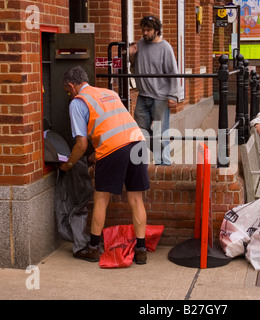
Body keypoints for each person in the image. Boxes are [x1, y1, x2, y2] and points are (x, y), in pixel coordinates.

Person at [61, 66, 150, 264]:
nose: (68, 94)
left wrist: (68, 164)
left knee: (101, 199)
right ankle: (141, 251)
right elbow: (113, 126)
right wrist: (95, 156)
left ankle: (93, 248)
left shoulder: (78, 102)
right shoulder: (108, 93)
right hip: (137, 142)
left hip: (113, 149)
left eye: (67, 91)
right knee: (136, 200)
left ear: (70, 86)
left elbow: (81, 144)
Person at [129, 15, 180, 165]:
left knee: (159, 132)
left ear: (157, 31)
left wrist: (173, 96)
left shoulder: (165, 48)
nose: (145, 33)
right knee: (140, 130)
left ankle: (163, 164)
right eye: (143, 30)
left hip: (160, 97)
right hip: (143, 96)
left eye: (148, 30)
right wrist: (132, 56)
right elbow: (134, 69)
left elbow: (173, 72)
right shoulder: (140, 44)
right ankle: (164, 149)